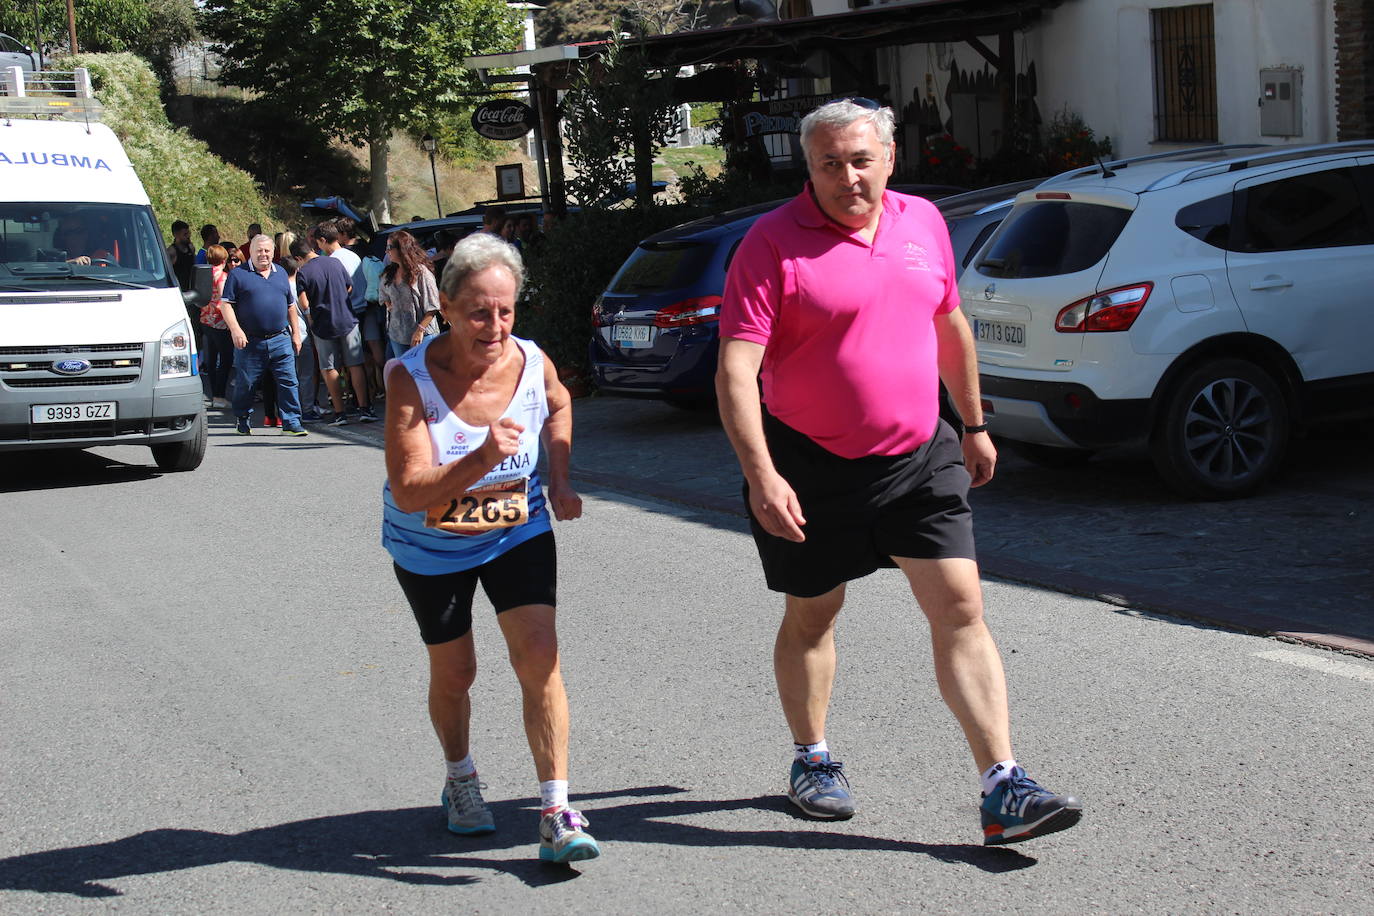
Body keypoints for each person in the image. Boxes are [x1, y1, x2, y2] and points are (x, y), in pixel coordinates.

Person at [715, 98, 1082, 847]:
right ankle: (812, 759)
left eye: (860, 160)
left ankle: (1001, 784)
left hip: (920, 453)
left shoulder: (923, 222)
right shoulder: (771, 245)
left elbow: (949, 324)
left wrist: (974, 425)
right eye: (829, 164)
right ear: (808, 167)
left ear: (888, 157)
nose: (847, 177)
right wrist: (761, 474)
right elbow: (736, 367)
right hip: (809, 464)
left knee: (961, 608)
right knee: (814, 616)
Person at [381, 232, 598, 864]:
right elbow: (411, 489)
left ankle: (556, 810)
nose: (495, 325)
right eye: (479, 311)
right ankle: (460, 779)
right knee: (457, 672)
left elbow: (558, 406)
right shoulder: (409, 379)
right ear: (445, 307)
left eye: (505, 310)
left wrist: (558, 478)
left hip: (516, 532)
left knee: (539, 658)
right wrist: (481, 455)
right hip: (430, 546)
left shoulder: (532, 362)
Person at [218, 234, 308, 437]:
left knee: (288, 381)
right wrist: (235, 329)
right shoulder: (238, 275)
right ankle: (242, 418)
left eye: (267, 250)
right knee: (246, 383)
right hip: (250, 340)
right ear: (250, 252)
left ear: (274, 252)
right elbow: (226, 305)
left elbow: (291, 306)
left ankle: (292, 422)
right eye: (259, 250)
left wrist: (295, 334)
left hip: (280, 338)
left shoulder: (281, 273)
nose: (263, 254)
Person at [293, 231, 374, 425]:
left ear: (298, 258)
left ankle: (339, 413)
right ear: (312, 249)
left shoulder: (303, 272)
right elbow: (349, 287)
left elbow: (304, 304)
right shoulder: (334, 262)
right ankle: (365, 408)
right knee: (355, 365)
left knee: (329, 368)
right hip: (347, 318)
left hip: (323, 323)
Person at [379, 230, 441, 360]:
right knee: (404, 375)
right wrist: (389, 304)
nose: (386, 251)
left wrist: (420, 330)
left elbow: (434, 305)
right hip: (397, 335)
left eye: (390, 247)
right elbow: (384, 296)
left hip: (423, 334)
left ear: (402, 248)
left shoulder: (421, 273)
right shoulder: (388, 273)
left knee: (425, 374)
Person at [198, 244, 235, 409]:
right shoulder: (223, 276)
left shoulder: (204, 274)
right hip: (220, 322)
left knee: (211, 360)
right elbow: (224, 299)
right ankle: (220, 396)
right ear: (224, 259)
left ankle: (214, 395)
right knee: (226, 360)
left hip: (205, 319)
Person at [166, 220, 196, 293]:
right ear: (176, 235)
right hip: (178, 291)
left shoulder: (191, 248)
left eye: (189, 233)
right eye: (185, 234)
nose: (188, 236)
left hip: (190, 290)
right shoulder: (171, 252)